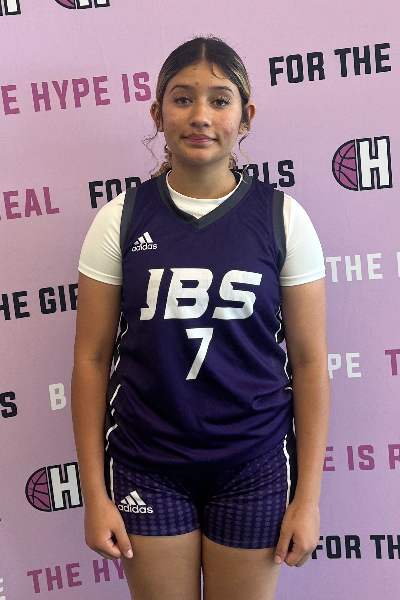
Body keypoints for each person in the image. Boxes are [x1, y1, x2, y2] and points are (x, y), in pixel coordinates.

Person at [71, 35, 330, 600]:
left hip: (254, 465)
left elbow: (311, 363)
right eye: (183, 98)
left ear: (246, 115)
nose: (201, 116)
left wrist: (308, 500)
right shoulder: (120, 218)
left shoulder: (283, 218)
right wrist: (94, 493)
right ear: (157, 113)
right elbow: (90, 360)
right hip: (147, 463)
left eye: (220, 99)